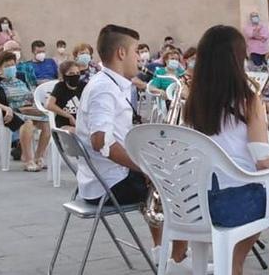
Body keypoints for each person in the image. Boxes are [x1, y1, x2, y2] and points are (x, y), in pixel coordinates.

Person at [182, 25, 269, 275]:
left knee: (257, 202)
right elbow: (263, 162)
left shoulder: (193, 101)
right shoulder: (247, 99)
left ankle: (233, 265)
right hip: (235, 202)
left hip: (197, 203)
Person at [74, 24, 192, 270]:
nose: (140, 57)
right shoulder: (104, 89)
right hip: (108, 185)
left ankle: (161, 252)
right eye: (136, 51)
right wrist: (145, 167)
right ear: (121, 53)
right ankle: (178, 262)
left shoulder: (109, 83)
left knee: (161, 175)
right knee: (184, 187)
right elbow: (101, 142)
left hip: (101, 179)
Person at [0, 50, 49, 172]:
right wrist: (6, 108)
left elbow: (32, 93)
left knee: (47, 124)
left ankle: (39, 156)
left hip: (27, 109)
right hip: (10, 111)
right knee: (28, 123)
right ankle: (27, 159)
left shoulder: (21, 76)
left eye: (12, 65)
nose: (11, 68)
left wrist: (36, 104)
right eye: (7, 66)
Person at [46, 61, 84, 129]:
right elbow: (49, 105)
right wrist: (69, 116)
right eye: (71, 73)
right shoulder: (60, 86)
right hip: (64, 123)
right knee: (74, 133)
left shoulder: (83, 85)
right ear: (64, 75)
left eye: (77, 73)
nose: (75, 76)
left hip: (81, 122)